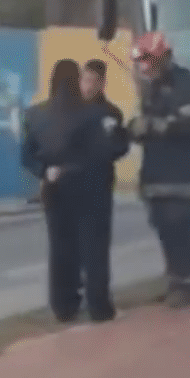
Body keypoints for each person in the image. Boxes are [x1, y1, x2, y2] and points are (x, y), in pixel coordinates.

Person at [22, 59, 119, 324]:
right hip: (91, 187)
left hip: (55, 188)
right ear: (77, 80)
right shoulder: (94, 114)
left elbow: (26, 156)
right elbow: (106, 151)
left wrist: (45, 171)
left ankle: (63, 305)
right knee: (94, 248)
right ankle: (99, 305)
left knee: (60, 247)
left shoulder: (35, 115)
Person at [127, 30, 190, 308]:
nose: (144, 66)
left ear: (163, 57)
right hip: (158, 173)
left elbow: (188, 123)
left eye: (148, 60)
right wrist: (135, 129)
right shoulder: (153, 89)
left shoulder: (188, 85)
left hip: (184, 173)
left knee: (182, 227)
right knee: (165, 227)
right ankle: (176, 281)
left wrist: (151, 127)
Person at [81, 57, 130, 315]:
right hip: (71, 187)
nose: (86, 86)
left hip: (98, 185)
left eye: (91, 81)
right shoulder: (69, 111)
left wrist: (104, 150)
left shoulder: (109, 113)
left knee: (97, 246)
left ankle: (99, 301)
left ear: (101, 84)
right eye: (84, 79)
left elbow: (120, 146)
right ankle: (74, 298)